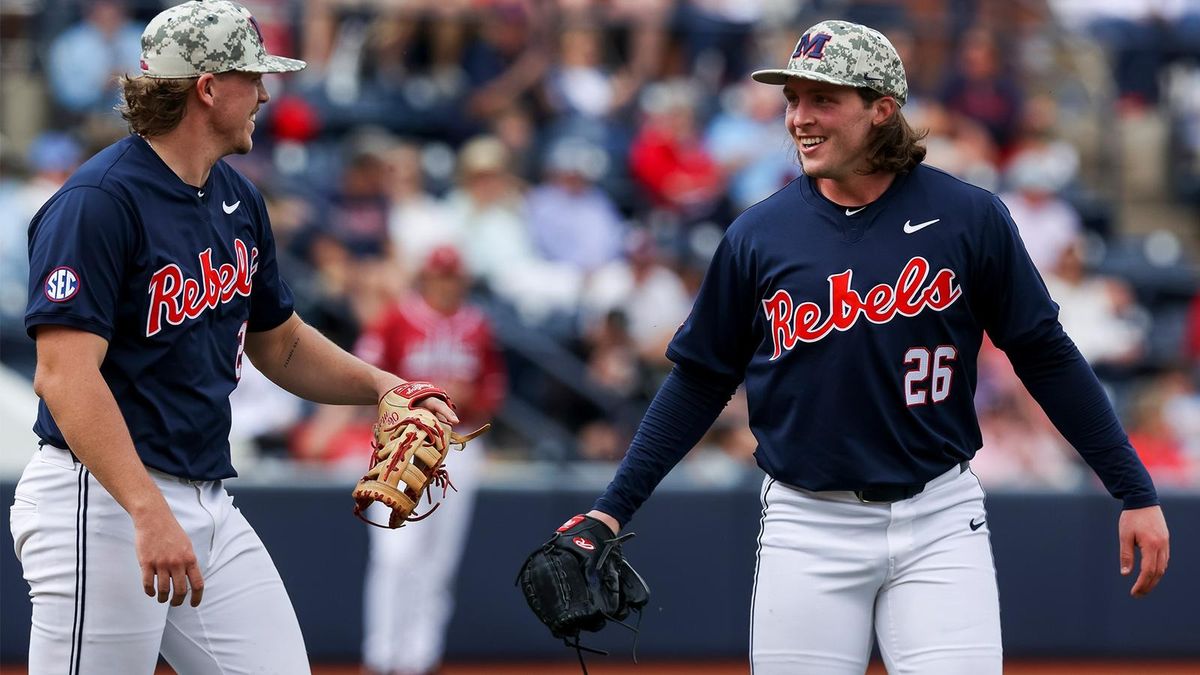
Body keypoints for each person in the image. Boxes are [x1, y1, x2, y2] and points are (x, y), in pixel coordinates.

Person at [568, 19, 1170, 674]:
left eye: (822, 99)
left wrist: (1132, 488)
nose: (799, 117)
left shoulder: (970, 217)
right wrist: (611, 508)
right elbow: (699, 380)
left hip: (939, 516)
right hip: (807, 523)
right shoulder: (758, 236)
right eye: (793, 99)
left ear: (882, 108)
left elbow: (1046, 354)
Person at [10, 2, 458, 673]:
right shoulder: (99, 202)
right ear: (208, 87)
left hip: (206, 495)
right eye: (253, 75)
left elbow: (280, 343)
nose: (267, 91)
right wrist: (144, 506)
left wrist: (383, 385)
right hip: (101, 498)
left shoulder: (236, 199)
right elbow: (65, 375)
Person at [354, 245, 507, 675]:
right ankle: (381, 658)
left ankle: (419, 658)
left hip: (458, 449)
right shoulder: (397, 318)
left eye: (452, 276)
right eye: (439, 276)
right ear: (426, 278)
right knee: (394, 555)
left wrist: (463, 394)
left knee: (438, 561)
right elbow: (367, 381)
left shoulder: (478, 326)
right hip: (400, 448)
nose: (445, 284)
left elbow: (493, 393)